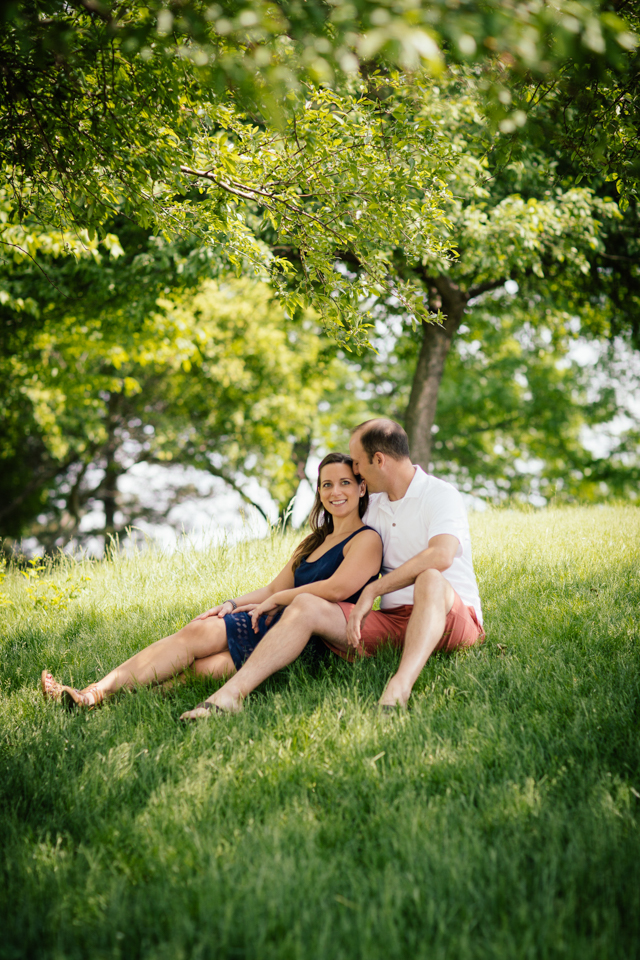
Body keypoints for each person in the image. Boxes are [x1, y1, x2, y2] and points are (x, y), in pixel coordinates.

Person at [40, 453, 382, 714]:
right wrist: (232, 604)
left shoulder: (366, 540)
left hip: (306, 637)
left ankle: (103, 700)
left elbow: (337, 589)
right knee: (196, 635)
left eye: (345, 483)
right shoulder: (312, 542)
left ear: (361, 487)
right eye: (326, 484)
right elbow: (271, 590)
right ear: (319, 491)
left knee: (202, 670)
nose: (335, 491)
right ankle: (93, 694)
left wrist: (282, 599)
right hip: (270, 617)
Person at [197, 418, 484, 717]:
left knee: (430, 578)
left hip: (452, 617)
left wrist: (374, 589)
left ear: (379, 460)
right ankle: (231, 695)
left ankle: (399, 687)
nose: (355, 471)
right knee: (307, 604)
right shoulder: (372, 506)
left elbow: (441, 555)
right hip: (394, 622)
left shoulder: (439, 494)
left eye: (358, 463)